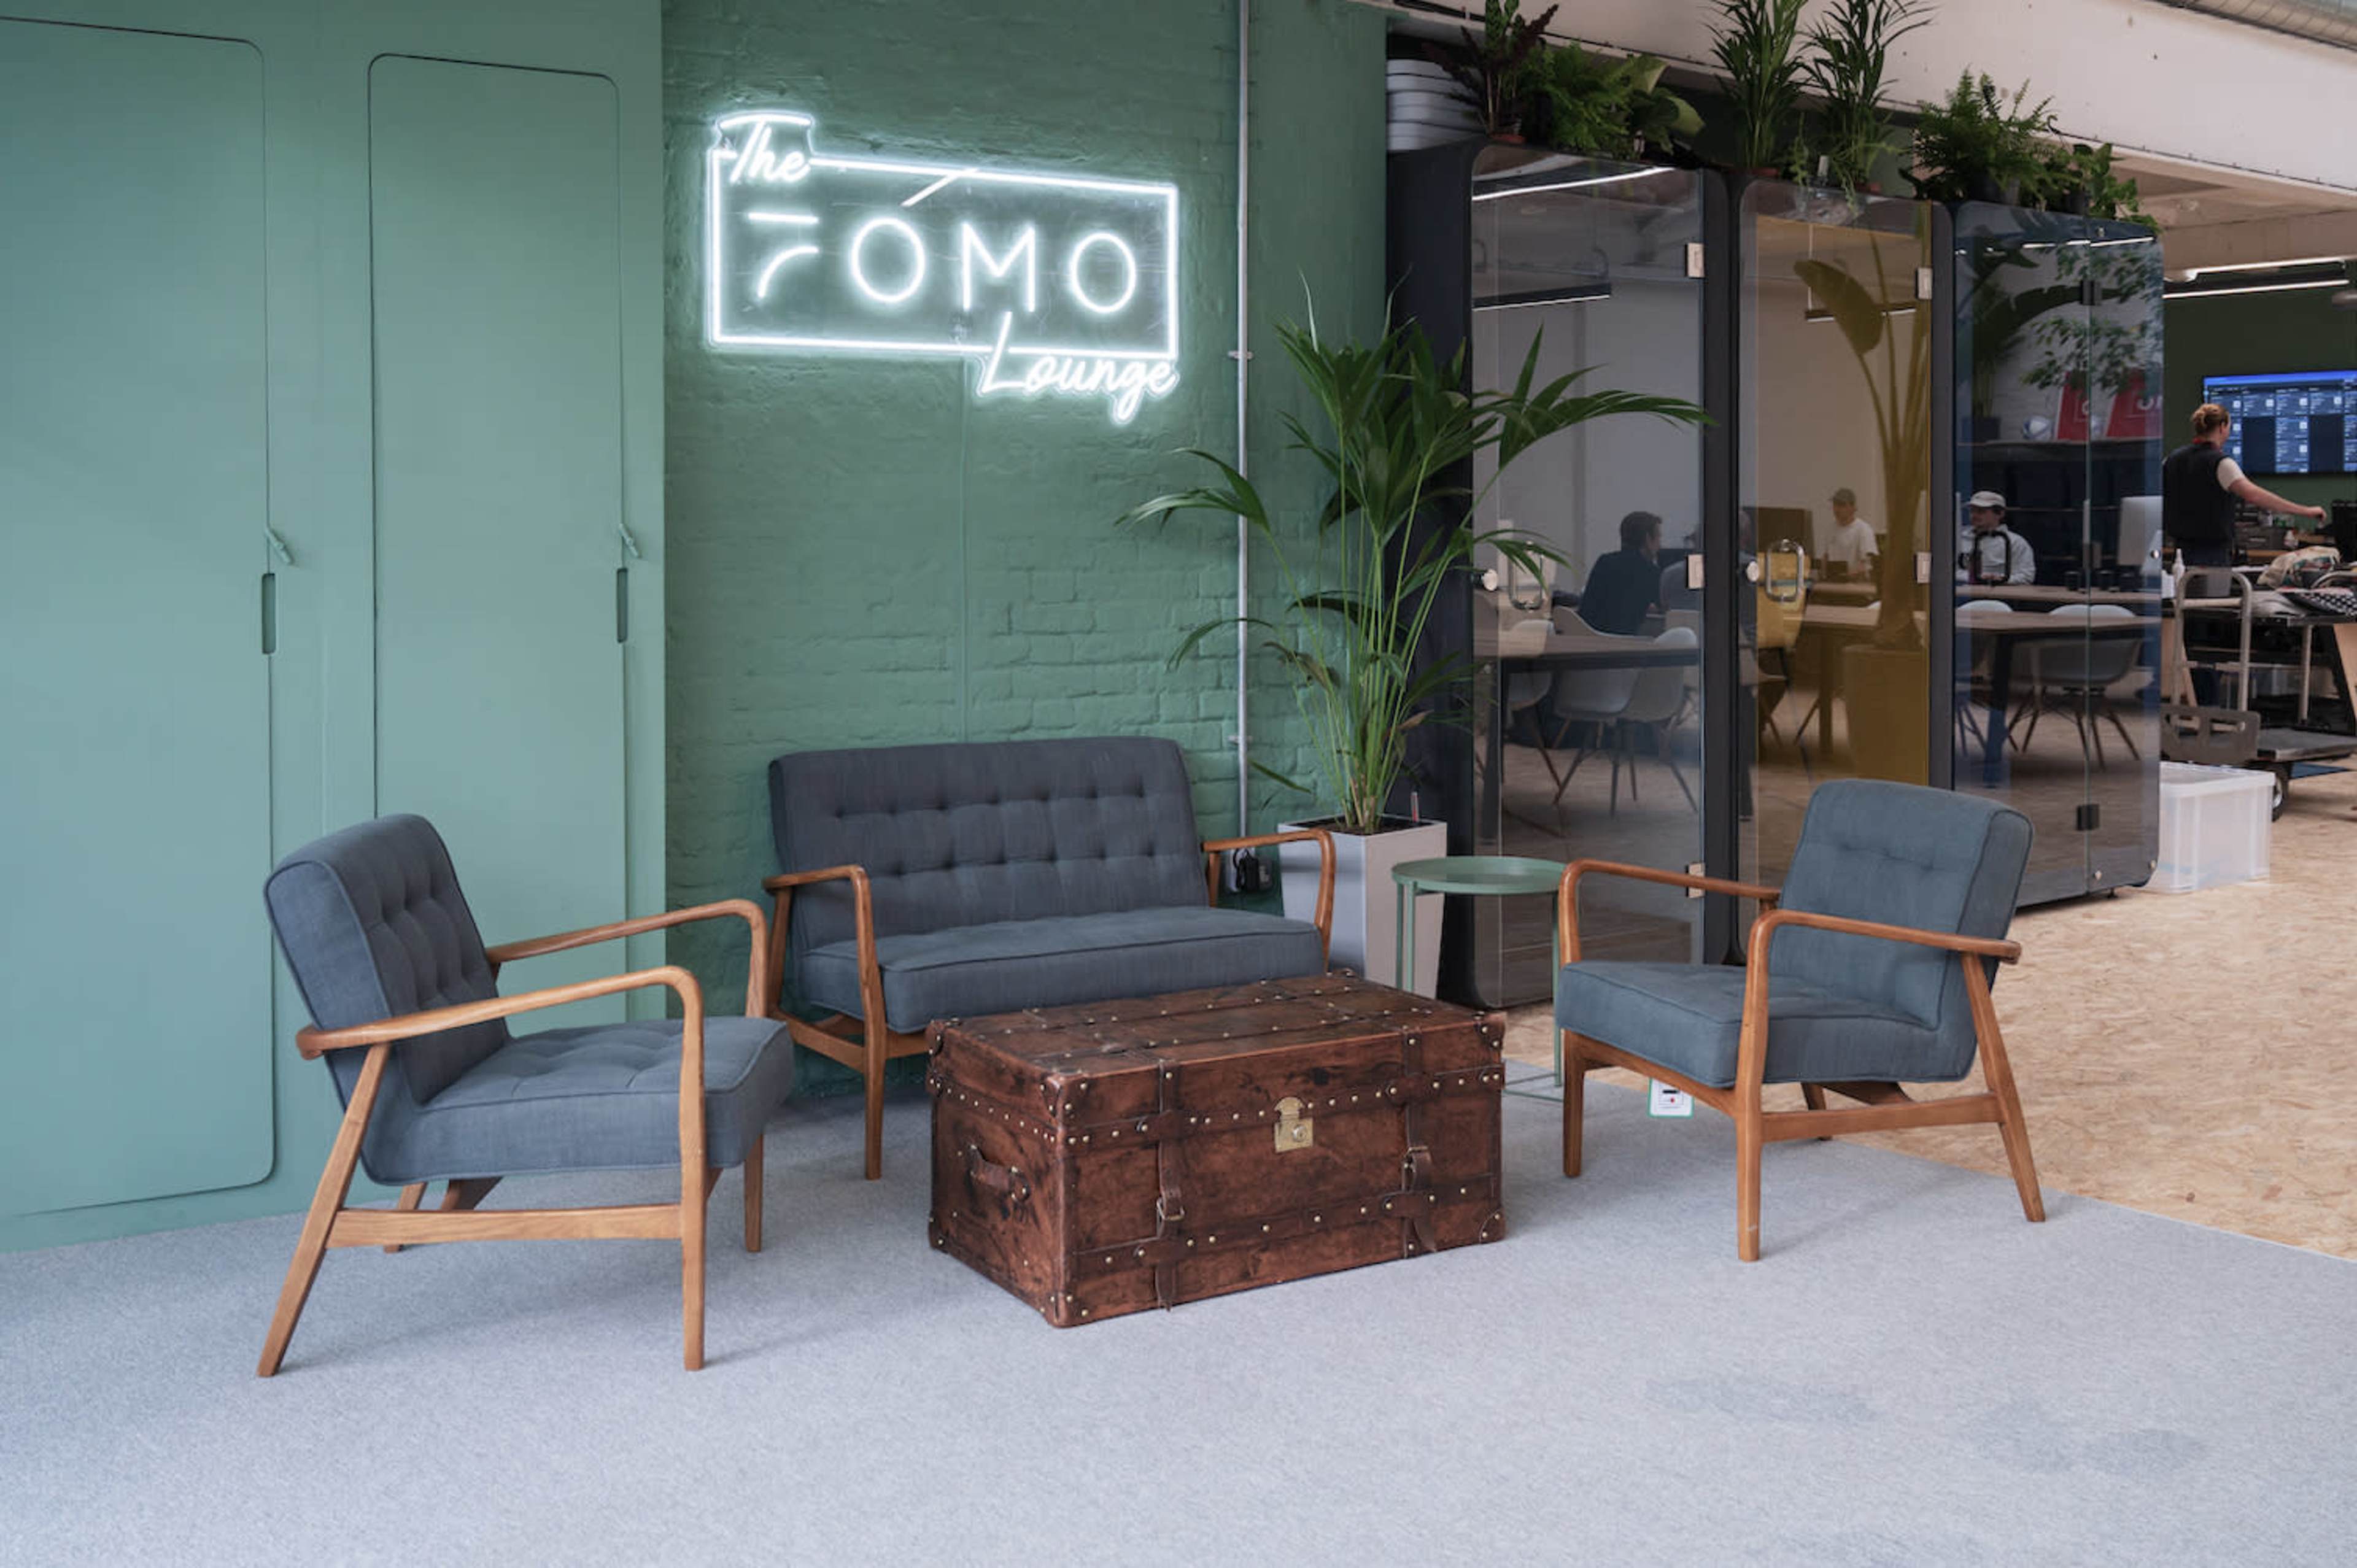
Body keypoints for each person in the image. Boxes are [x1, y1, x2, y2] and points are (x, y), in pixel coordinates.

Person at [2162, 403, 2326, 568]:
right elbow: (2255, 496)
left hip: (2179, 553)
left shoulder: (2172, 459)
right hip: (2212, 555)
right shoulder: (2221, 463)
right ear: (2222, 426)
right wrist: (2306, 511)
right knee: (2210, 594)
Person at [1578, 511, 1663, 634]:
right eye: (1659, 537)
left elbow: (1587, 609)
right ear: (1648, 538)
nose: (1660, 545)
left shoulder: (1605, 561)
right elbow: (1663, 609)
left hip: (1591, 640)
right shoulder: (1651, 572)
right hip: (1626, 645)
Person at [1959, 490, 2035, 585]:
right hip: (1963, 596)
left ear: (2000, 514)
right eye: (1972, 511)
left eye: (1981, 511)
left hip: (2002, 596)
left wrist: (1999, 579)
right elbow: (1947, 571)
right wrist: (1974, 577)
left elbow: (2027, 576)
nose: (1974, 515)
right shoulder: (1959, 539)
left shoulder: (2016, 542)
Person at [1822, 487, 1878, 576]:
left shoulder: (1863, 530)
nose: (1837, 509)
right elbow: (1825, 557)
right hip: (1832, 581)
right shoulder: (1830, 529)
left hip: (1856, 584)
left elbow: (1868, 564)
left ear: (1853, 508)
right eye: (1835, 505)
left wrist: (1848, 575)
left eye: (1842, 505)